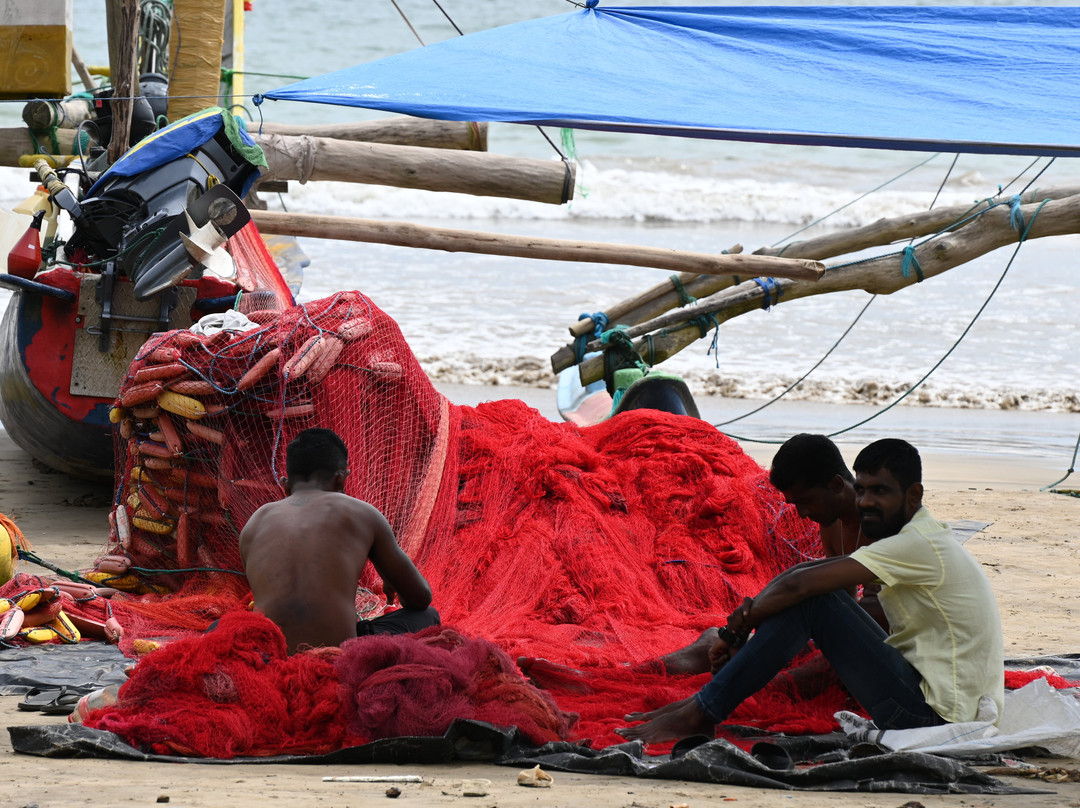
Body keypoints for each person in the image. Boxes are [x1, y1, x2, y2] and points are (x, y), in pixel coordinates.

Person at [616, 438, 1004, 742]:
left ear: (914, 496)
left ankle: (703, 711)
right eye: (864, 490)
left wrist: (742, 627)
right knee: (805, 597)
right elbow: (804, 574)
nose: (867, 502)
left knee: (812, 599)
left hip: (933, 719)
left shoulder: (915, 544)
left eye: (881, 492)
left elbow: (806, 586)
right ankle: (704, 706)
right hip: (928, 698)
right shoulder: (915, 536)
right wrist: (739, 628)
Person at [239, 428, 439, 653]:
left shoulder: (255, 522)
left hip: (269, 653)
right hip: (340, 656)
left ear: (285, 486)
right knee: (428, 616)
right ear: (341, 478)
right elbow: (421, 598)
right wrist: (392, 579)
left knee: (223, 626)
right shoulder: (363, 513)